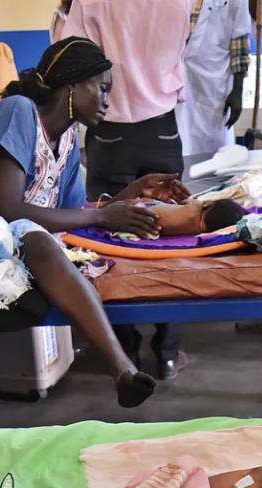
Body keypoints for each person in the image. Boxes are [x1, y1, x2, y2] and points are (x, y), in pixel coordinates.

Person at [0, 38, 187, 429]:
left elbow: (70, 214)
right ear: (71, 86)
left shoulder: (67, 144)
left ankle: (123, 371)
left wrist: (136, 192)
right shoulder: (19, 112)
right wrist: (99, 218)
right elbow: (11, 206)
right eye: (101, 88)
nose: (107, 101)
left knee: (41, 242)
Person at [62, 0, 193, 380]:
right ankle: (168, 352)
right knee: (170, 235)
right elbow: (180, 47)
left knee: (109, 238)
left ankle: (124, 346)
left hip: (110, 126)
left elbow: (78, 57)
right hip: (161, 128)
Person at [178, 0, 254, 158]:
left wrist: (237, 91)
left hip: (215, 82)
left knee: (215, 151)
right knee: (180, 141)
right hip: (179, 75)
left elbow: (239, 41)